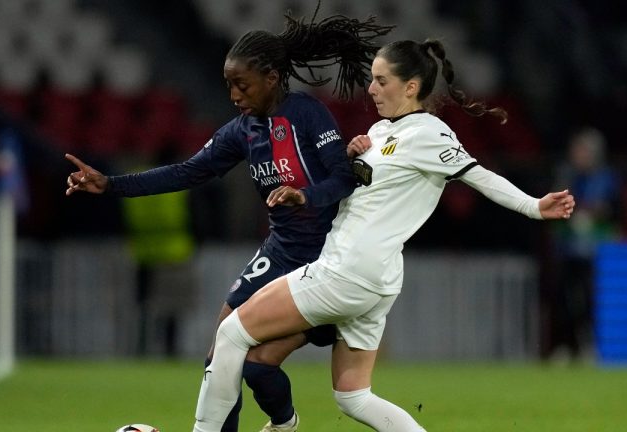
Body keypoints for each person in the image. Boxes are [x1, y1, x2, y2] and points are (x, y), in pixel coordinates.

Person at [192, 38, 575, 432]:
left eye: (380, 80)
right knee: (353, 396)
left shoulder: (429, 134)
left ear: (411, 86)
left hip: (347, 269)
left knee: (231, 332)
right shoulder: (379, 132)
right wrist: (353, 157)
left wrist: (534, 205)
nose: (371, 89)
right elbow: (361, 190)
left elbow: (479, 175)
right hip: (376, 279)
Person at [65, 9, 393, 432]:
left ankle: (282, 423)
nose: (235, 94)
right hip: (279, 254)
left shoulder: (306, 114)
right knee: (225, 358)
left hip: (329, 261)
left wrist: (304, 194)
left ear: (271, 78)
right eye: (229, 85)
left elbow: (343, 177)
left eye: (242, 84)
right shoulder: (242, 131)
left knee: (254, 366)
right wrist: (111, 184)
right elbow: (187, 171)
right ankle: (281, 423)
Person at [546, 126, 620, 361]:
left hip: (596, 253)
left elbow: (616, 215)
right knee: (563, 301)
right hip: (568, 250)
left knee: (591, 302)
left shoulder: (607, 179)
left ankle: (592, 347)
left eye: (583, 151)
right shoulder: (565, 175)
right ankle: (566, 347)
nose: (578, 155)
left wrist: (595, 215)